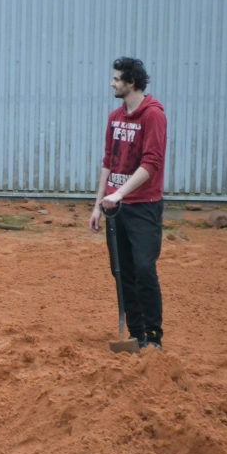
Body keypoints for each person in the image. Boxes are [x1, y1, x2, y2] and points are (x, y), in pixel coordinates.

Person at [89, 57, 168, 350]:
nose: (112, 83)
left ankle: (154, 336)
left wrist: (120, 193)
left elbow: (152, 162)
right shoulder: (115, 117)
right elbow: (108, 162)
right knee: (122, 272)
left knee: (144, 269)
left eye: (117, 79)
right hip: (114, 208)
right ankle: (137, 335)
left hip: (144, 206)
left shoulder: (153, 116)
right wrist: (98, 204)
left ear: (131, 82)